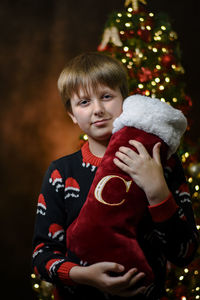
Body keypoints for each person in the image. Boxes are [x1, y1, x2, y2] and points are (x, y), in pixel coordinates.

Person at [32, 52, 199, 300]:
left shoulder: (161, 162)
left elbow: (185, 252)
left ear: (126, 101)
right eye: (84, 102)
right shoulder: (61, 172)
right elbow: (42, 255)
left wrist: (158, 191)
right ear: (72, 115)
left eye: (107, 97)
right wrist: (85, 275)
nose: (98, 109)